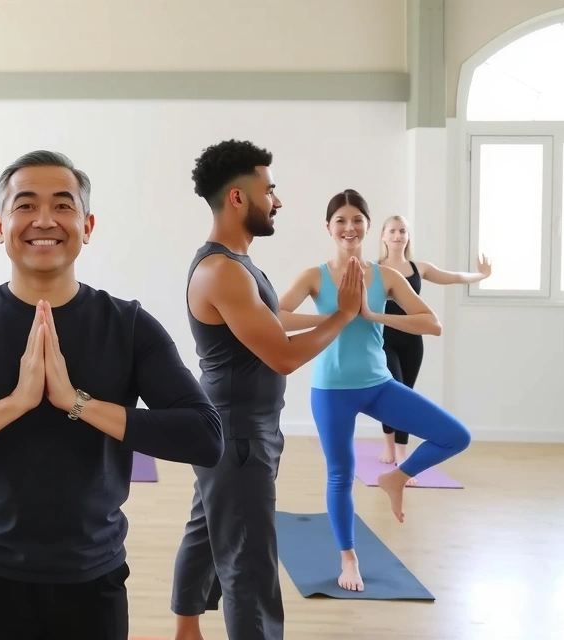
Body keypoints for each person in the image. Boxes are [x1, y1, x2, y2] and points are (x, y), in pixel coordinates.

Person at [0, 150, 225, 640]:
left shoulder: (127, 326)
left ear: (87, 225)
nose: (45, 220)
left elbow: (205, 437)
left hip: (93, 577)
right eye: (25, 206)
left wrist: (75, 401)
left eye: (64, 206)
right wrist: (16, 402)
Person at [168, 140, 363, 640]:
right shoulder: (222, 271)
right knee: (249, 565)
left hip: (235, 429)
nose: (277, 201)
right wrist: (342, 314)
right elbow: (284, 355)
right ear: (237, 198)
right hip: (239, 436)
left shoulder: (235, 263)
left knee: (208, 531)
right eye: (269, 190)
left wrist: (333, 313)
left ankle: (186, 629)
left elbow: (270, 319)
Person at [277, 189, 472, 592]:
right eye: (341, 221)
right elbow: (275, 317)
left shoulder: (386, 277)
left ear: (368, 225)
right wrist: (337, 314)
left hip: (379, 384)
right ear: (328, 228)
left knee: (456, 435)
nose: (349, 228)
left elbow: (431, 323)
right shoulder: (314, 276)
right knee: (340, 475)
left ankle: (397, 478)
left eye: (357, 220)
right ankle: (348, 558)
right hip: (331, 390)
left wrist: (370, 313)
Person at [377, 214, 491, 467]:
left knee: (407, 394)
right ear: (383, 236)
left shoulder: (419, 268)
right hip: (384, 340)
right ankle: (391, 447)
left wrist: (480, 276)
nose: (398, 236)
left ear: (408, 236)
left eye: (403, 231)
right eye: (393, 231)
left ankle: (401, 449)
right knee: (393, 391)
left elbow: (452, 277)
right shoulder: (374, 268)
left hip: (413, 342)